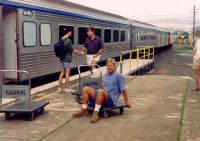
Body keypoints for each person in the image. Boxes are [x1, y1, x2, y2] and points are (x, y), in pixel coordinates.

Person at [72, 58, 132, 123]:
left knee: (101, 91)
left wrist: (127, 102)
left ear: (115, 66)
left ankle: (96, 112)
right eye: (108, 65)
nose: (109, 67)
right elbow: (105, 87)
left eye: (111, 65)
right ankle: (84, 110)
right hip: (102, 95)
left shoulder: (119, 76)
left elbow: (124, 90)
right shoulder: (106, 75)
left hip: (111, 100)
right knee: (85, 89)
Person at [58, 27, 83, 93]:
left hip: (62, 58)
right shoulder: (68, 40)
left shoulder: (61, 39)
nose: (71, 33)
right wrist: (80, 52)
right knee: (67, 73)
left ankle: (59, 88)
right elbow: (73, 50)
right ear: (69, 32)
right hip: (67, 59)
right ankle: (67, 88)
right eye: (71, 32)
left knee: (62, 72)